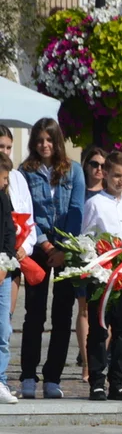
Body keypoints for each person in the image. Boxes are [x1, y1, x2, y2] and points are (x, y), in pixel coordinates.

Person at [19, 117, 85, 400]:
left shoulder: (74, 171)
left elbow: (76, 209)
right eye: (40, 140)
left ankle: (53, 377)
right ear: (34, 142)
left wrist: (64, 249)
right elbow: (26, 211)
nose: (45, 145)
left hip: (67, 249)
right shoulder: (25, 172)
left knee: (62, 314)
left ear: (57, 141)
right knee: (34, 314)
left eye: (49, 140)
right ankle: (28, 375)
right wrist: (46, 246)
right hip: (37, 246)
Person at [81, 152, 122, 401]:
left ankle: (117, 381)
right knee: (99, 329)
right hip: (103, 277)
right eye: (116, 176)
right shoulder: (95, 204)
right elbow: (86, 238)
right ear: (105, 174)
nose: (120, 181)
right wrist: (100, 263)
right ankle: (97, 381)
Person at [76, 146, 108, 383]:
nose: (99, 169)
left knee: (106, 313)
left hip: (107, 259)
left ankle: (101, 361)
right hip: (84, 256)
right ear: (85, 166)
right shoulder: (80, 192)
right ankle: (87, 363)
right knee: (85, 309)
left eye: (103, 165)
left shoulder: (109, 195)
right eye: (94, 164)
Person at [0, 126, 35, 322]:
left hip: (12, 257)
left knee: (5, 321)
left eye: (8, 147)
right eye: (0, 146)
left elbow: (29, 218)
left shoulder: (17, 178)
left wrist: (25, 246)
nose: (4, 152)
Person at [0, 154, 19, 403]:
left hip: (2, 270)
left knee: (3, 329)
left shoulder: (4, 199)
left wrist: (4, 263)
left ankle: (1, 380)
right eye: (4, 177)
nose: (6, 183)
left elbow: (9, 232)